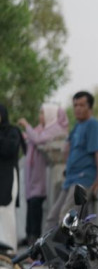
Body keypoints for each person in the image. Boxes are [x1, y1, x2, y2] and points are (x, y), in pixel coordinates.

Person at [44, 91, 98, 230]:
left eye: (82, 105)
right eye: (75, 105)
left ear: (90, 107)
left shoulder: (93, 125)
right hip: (70, 179)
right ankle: (46, 251)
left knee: (66, 218)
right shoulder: (78, 126)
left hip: (83, 179)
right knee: (52, 218)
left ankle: (66, 251)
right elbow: (68, 147)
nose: (78, 108)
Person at [18, 104, 69, 245]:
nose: (40, 116)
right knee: (31, 205)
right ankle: (29, 237)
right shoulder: (42, 129)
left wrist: (27, 125)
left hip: (41, 175)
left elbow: (38, 139)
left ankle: (35, 239)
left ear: (50, 115)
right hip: (33, 176)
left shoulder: (55, 130)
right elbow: (30, 137)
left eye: (42, 113)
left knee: (36, 206)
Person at [0, 105, 26, 251]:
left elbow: (8, 150)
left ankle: (9, 251)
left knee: (6, 213)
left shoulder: (12, 132)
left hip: (7, 178)